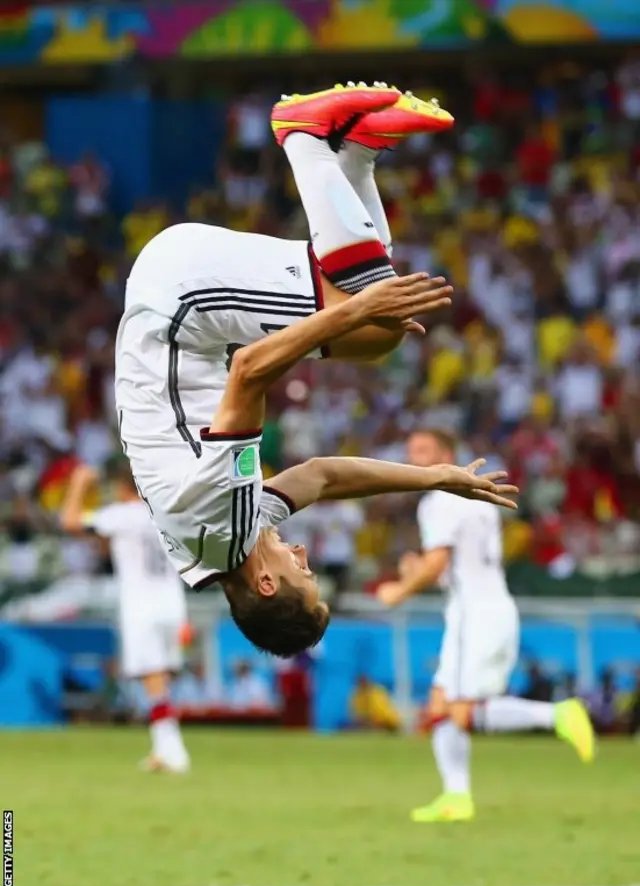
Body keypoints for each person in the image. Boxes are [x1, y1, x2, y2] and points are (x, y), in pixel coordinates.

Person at [115, 83, 517, 659]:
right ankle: (358, 153)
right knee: (376, 337)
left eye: (303, 574)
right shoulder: (226, 542)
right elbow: (324, 476)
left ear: (268, 583)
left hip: (181, 299)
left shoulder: (222, 521)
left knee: (372, 310)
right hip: (181, 306)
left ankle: (304, 138)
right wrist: (435, 477)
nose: (305, 558)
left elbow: (250, 372)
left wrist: (357, 308)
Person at [377, 429, 596, 823]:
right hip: (486, 605)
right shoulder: (475, 495)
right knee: (441, 704)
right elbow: (456, 563)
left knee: (461, 711)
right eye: (410, 452)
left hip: (474, 614)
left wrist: (400, 590)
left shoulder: (438, 498)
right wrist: (422, 572)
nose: (414, 459)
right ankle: (455, 797)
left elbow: (439, 563)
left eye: (424, 451)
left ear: (446, 453)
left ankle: (558, 715)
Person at [60, 461, 190, 773]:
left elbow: (70, 522)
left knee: (152, 676)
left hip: (142, 605)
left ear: (122, 488)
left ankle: (173, 750)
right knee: (159, 677)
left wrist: (78, 483)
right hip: (172, 602)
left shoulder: (121, 515)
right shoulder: (165, 512)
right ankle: (164, 747)